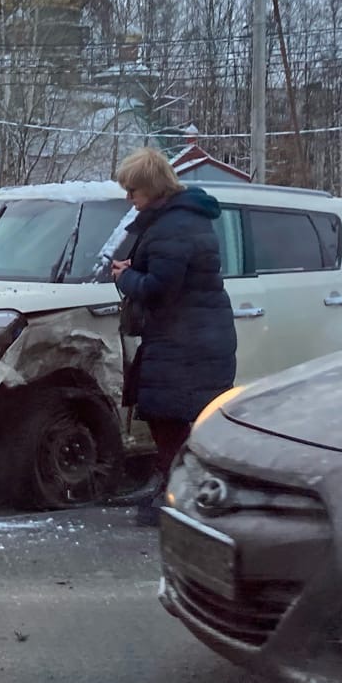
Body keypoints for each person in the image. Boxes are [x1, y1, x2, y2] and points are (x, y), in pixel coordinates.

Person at [110, 147, 238, 526]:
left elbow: (161, 287)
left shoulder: (173, 225)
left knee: (172, 418)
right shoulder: (180, 219)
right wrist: (139, 267)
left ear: (151, 187)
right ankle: (169, 487)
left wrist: (125, 277)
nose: (129, 199)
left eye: (133, 190)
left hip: (186, 340)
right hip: (190, 336)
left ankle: (180, 496)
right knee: (168, 416)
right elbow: (172, 270)